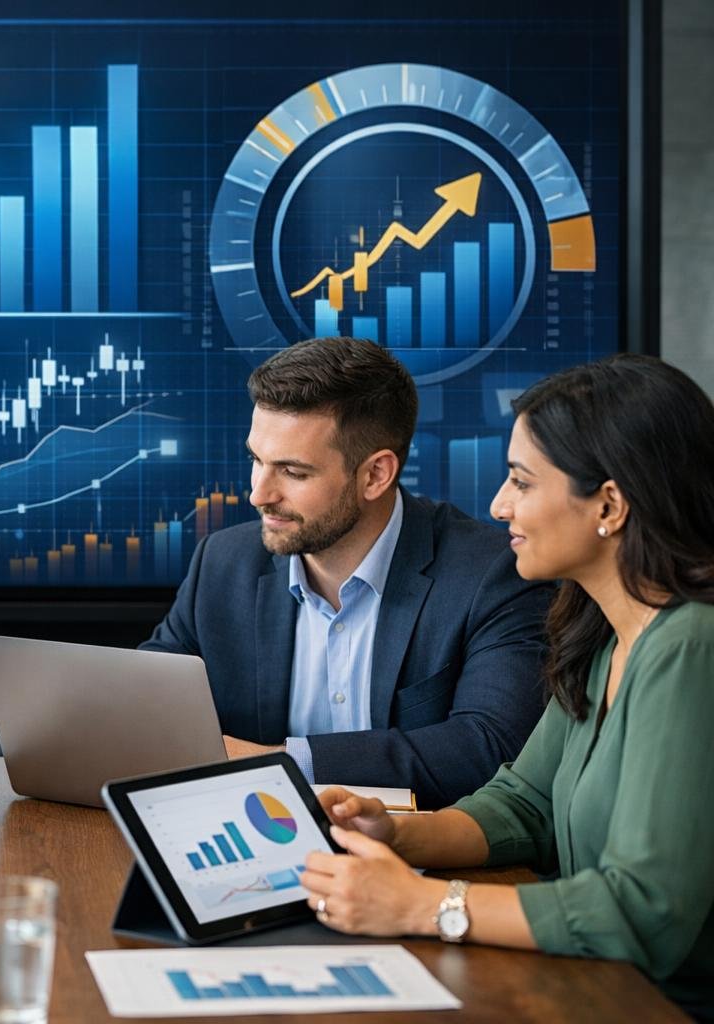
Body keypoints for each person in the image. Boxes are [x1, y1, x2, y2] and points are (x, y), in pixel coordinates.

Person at [301, 354, 714, 1019]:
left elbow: (641, 913)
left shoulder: (692, 647)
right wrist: (397, 834)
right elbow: (526, 802)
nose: (499, 506)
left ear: (608, 504)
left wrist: (419, 905)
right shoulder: (605, 635)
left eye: (522, 481)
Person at [143, 338, 552, 807]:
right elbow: (149, 704)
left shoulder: (492, 573)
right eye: (257, 460)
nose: (259, 494)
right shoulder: (222, 562)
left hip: (420, 862)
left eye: (293, 472)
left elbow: (490, 747)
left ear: (376, 474)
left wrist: (274, 765)